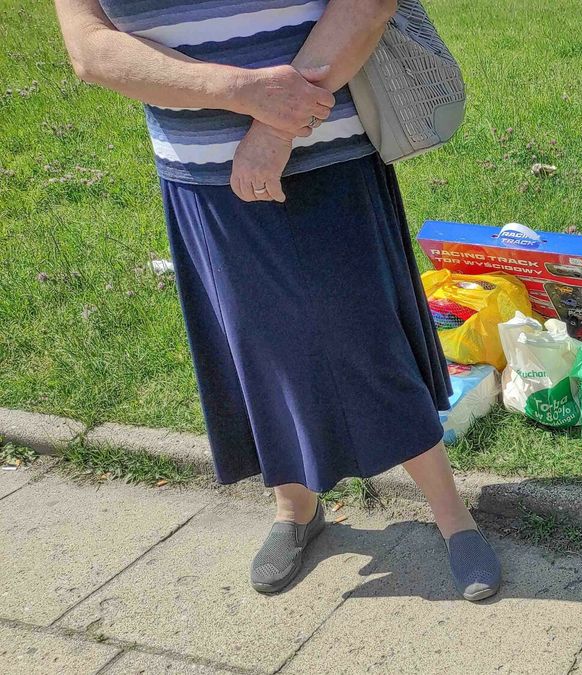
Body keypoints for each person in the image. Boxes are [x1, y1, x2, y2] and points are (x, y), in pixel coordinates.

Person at [53, 0, 501, 600]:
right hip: (202, 176)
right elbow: (89, 48)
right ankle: (295, 510)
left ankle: (453, 518)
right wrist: (241, 91)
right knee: (258, 349)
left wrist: (275, 124)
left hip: (328, 154)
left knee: (369, 343)